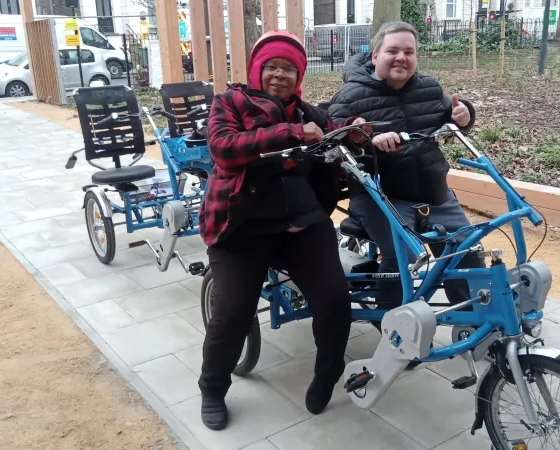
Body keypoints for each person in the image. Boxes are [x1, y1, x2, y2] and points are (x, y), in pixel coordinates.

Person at [197, 30, 362, 431]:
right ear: (256, 70)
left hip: (302, 226)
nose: (279, 75)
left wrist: (357, 128)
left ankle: (327, 375)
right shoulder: (229, 102)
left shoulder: (307, 112)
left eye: (288, 68)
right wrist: (290, 133)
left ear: (299, 76)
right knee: (232, 313)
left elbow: (334, 128)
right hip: (240, 228)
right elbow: (224, 148)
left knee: (336, 302)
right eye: (271, 66)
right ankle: (212, 388)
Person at [327, 21, 486, 338]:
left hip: (433, 193)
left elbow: (453, 117)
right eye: (393, 51)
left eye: (408, 52)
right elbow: (335, 134)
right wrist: (363, 135)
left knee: (465, 248)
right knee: (406, 254)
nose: (401, 57)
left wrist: (465, 113)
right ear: (375, 56)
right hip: (379, 194)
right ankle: (393, 326)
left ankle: (474, 319)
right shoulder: (351, 95)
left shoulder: (428, 88)